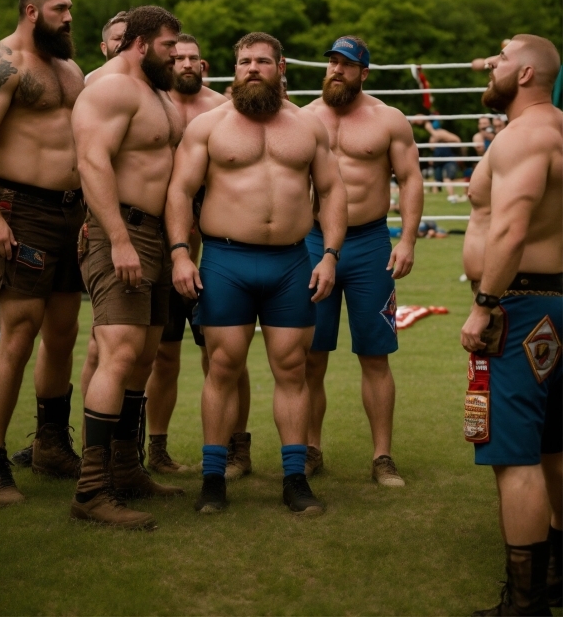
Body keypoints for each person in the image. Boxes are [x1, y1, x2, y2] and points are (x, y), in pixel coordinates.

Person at [167, 31, 347, 515]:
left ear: (280, 66)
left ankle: (294, 479)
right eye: (244, 60)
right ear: (232, 66)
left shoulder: (308, 126)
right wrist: (181, 253)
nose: (251, 68)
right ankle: (212, 479)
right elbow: (181, 191)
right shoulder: (209, 126)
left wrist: (329, 254)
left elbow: (330, 192)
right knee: (222, 367)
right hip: (226, 261)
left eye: (262, 61)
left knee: (292, 369)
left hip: (291, 262)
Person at [0, 0, 86, 506]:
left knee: (63, 332)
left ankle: (51, 445)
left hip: (71, 212)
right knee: (18, 333)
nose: (69, 16)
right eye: (60, 9)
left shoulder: (69, 67)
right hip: (22, 209)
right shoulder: (1, 62)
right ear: (33, 11)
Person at [70, 5, 184, 530]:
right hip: (125, 232)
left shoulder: (154, 90)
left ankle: (125, 468)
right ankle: (92, 491)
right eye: (167, 46)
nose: (176, 55)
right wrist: (116, 237)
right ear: (139, 43)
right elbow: (92, 161)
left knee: (144, 355)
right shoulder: (110, 88)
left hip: (158, 237)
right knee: (117, 352)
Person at [461, 34, 562, 615]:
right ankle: (555, 580)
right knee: (555, 446)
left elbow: (511, 228)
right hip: (554, 299)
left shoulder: (524, 137)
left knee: (515, 456)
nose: (489, 65)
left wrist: (485, 303)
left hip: (520, 306)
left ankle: (524, 605)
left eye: (499, 58)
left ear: (525, 74)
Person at [12, 9, 132, 469]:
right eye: (116, 37)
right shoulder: (90, 83)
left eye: (130, 37)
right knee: (38, 335)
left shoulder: (139, 88)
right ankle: (44, 444)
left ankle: (69, 445)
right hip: (70, 217)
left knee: (74, 335)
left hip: (88, 217)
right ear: (105, 46)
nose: (123, 43)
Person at [303, 36, 423, 485]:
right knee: (311, 354)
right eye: (331, 61)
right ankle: (311, 448)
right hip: (314, 243)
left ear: (363, 72)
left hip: (371, 243)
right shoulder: (304, 117)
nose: (336, 70)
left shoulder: (388, 119)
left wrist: (407, 239)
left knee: (375, 354)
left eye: (346, 65)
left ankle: (382, 457)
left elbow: (410, 179)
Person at [143, 33, 241, 477]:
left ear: (203, 65)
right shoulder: (147, 101)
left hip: (213, 251)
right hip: (157, 248)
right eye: (177, 56)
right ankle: (156, 447)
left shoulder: (222, 109)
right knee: (162, 354)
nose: (184, 64)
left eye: (192, 58)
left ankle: (236, 446)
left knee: (225, 354)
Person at [422, 119, 462, 200]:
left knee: (447, 178)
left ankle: (451, 196)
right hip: (438, 160)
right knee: (437, 180)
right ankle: (435, 199)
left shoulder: (441, 132)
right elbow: (432, 147)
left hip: (448, 159)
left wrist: (431, 130)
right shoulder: (433, 136)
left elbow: (457, 140)